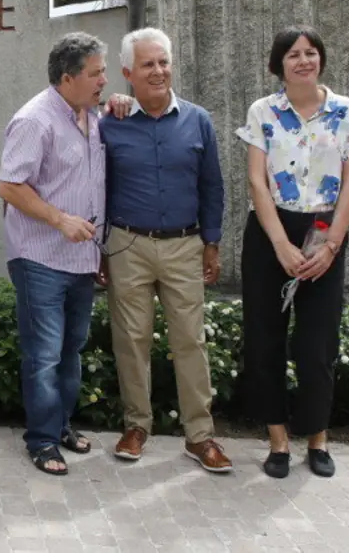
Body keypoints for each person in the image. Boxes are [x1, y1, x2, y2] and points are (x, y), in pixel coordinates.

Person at [237, 25, 349, 479]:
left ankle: (318, 437)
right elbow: (257, 181)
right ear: (279, 64)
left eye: (311, 52)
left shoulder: (344, 110)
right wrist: (279, 245)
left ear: (321, 60)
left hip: (323, 229)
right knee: (265, 340)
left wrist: (332, 244)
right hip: (271, 231)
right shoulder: (263, 111)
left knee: (318, 344)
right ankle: (277, 441)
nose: (303, 60)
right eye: (293, 54)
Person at [100, 27, 231, 473]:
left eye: (163, 62)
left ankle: (200, 435)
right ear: (127, 73)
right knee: (131, 340)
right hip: (127, 244)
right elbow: (98, 188)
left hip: (184, 245)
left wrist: (211, 242)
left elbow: (212, 185)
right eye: (147, 64)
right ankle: (137, 426)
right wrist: (100, 248)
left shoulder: (198, 121)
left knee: (190, 341)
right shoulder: (110, 124)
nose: (158, 71)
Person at [0, 31, 109, 476]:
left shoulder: (92, 116)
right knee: (43, 355)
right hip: (41, 258)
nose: (104, 80)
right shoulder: (35, 120)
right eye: (96, 72)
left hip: (82, 260)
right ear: (68, 78)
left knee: (70, 352)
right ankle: (41, 441)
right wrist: (59, 219)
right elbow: (9, 185)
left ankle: (60, 424)